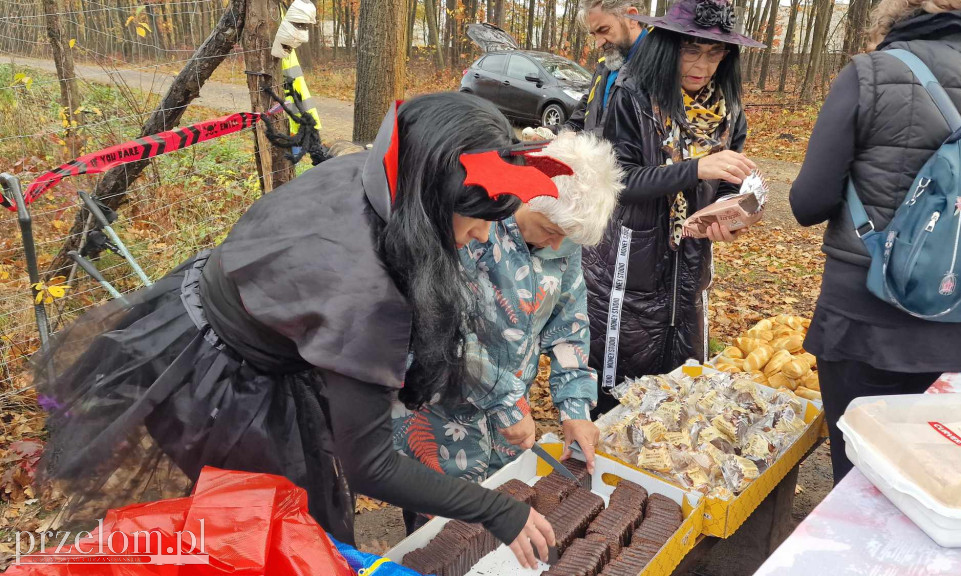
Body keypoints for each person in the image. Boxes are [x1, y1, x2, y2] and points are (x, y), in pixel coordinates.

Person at [35, 93, 561, 569]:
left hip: (189, 315)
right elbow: (372, 466)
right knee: (278, 536)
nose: (482, 235)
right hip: (219, 388)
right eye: (473, 215)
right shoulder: (365, 292)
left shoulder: (380, 173)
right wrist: (495, 510)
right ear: (430, 196)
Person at [789, 0, 961, 483]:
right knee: (930, 475)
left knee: (858, 478)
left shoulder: (870, 73)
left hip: (863, 316)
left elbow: (808, 202)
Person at [393, 131, 623, 533]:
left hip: (505, 432)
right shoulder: (472, 226)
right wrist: (506, 401)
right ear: (527, 195)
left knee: (497, 525)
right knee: (441, 537)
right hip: (438, 420)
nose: (556, 243)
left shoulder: (560, 248)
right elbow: (436, 334)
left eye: (568, 238)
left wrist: (574, 407)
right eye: (548, 228)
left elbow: (569, 331)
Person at [584, 0, 763, 414]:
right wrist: (695, 168)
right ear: (668, 47)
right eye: (691, 51)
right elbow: (620, 180)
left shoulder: (729, 110)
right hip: (628, 274)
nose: (703, 65)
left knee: (679, 400)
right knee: (617, 403)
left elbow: (729, 185)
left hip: (690, 274)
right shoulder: (633, 95)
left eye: (715, 53)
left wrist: (728, 217)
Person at [561, 0, 650, 134]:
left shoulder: (659, 67)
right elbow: (584, 118)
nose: (598, 43)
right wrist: (555, 133)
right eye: (594, 34)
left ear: (632, 18)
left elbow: (634, 142)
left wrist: (585, 143)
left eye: (604, 30)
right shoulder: (605, 66)